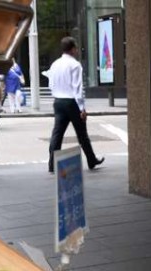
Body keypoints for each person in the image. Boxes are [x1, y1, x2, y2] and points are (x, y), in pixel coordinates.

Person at [46, 37, 105, 172]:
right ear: (72, 49)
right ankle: (91, 160)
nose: (77, 50)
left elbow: (51, 84)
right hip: (71, 102)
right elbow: (77, 88)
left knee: (57, 133)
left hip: (58, 101)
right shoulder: (75, 65)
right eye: (76, 48)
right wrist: (82, 108)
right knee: (82, 134)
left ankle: (52, 164)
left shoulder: (55, 64)